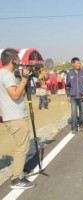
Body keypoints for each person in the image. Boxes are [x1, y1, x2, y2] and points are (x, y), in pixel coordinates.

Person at [0, 48, 36, 189]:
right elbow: (15, 95)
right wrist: (24, 80)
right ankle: (16, 179)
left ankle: (18, 175)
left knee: (21, 146)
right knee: (22, 147)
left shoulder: (2, 74)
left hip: (10, 116)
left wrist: (22, 82)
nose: (19, 62)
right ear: (12, 60)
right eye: (18, 59)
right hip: (15, 117)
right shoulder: (7, 76)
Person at [66, 57, 83, 134]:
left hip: (82, 96)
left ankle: (82, 125)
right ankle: (74, 127)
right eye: (77, 63)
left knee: (82, 112)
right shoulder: (69, 74)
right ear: (72, 64)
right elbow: (67, 86)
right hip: (73, 97)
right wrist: (68, 95)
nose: (79, 64)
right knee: (73, 112)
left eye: (79, 63)